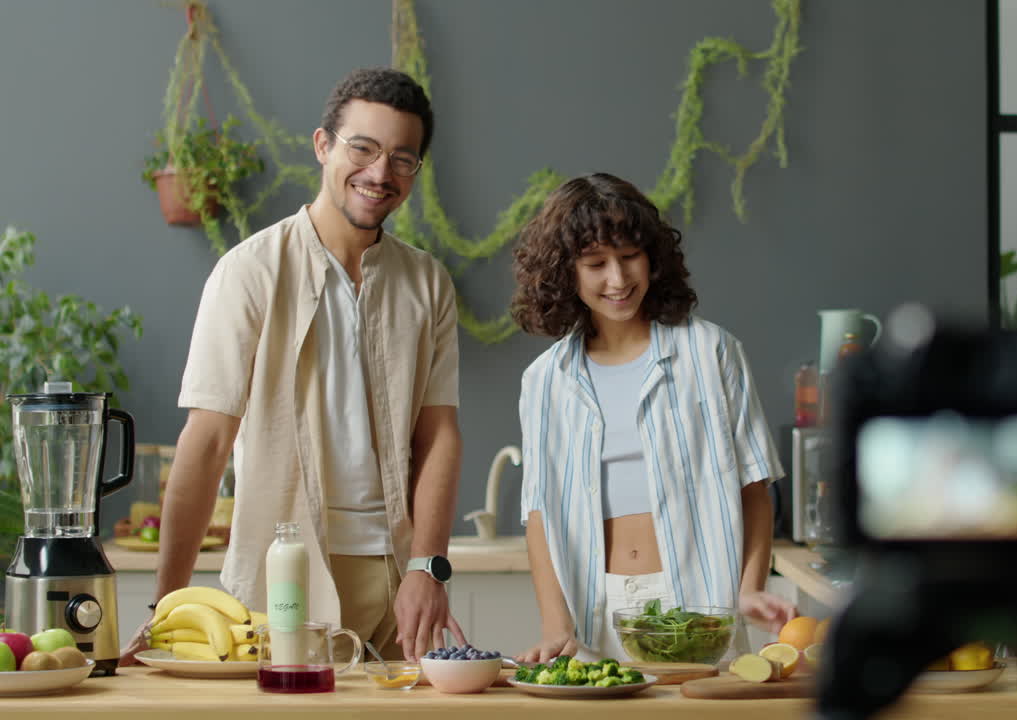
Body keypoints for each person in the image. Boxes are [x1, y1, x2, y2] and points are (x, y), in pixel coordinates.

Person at [121, 67, 465, 664]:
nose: (380, 173)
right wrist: (167, 608)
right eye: (363, 147)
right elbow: (205, 443)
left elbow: (439, 437)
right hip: (281, 574)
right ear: (323, 146)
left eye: (402, 158)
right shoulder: (249, 272)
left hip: (397, 577)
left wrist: (427, 568)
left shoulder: (426, 282)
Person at [510, 173, 796, 663]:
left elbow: (754, 490)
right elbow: (540, 515)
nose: (617, 280)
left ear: (652, 257)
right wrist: (555, 622)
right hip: (594, 613)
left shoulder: (712, 352)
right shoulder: (545, 381)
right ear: (567, 272)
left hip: (704, 607)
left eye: (629, 257)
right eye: (596, 263)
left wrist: (748, 590)